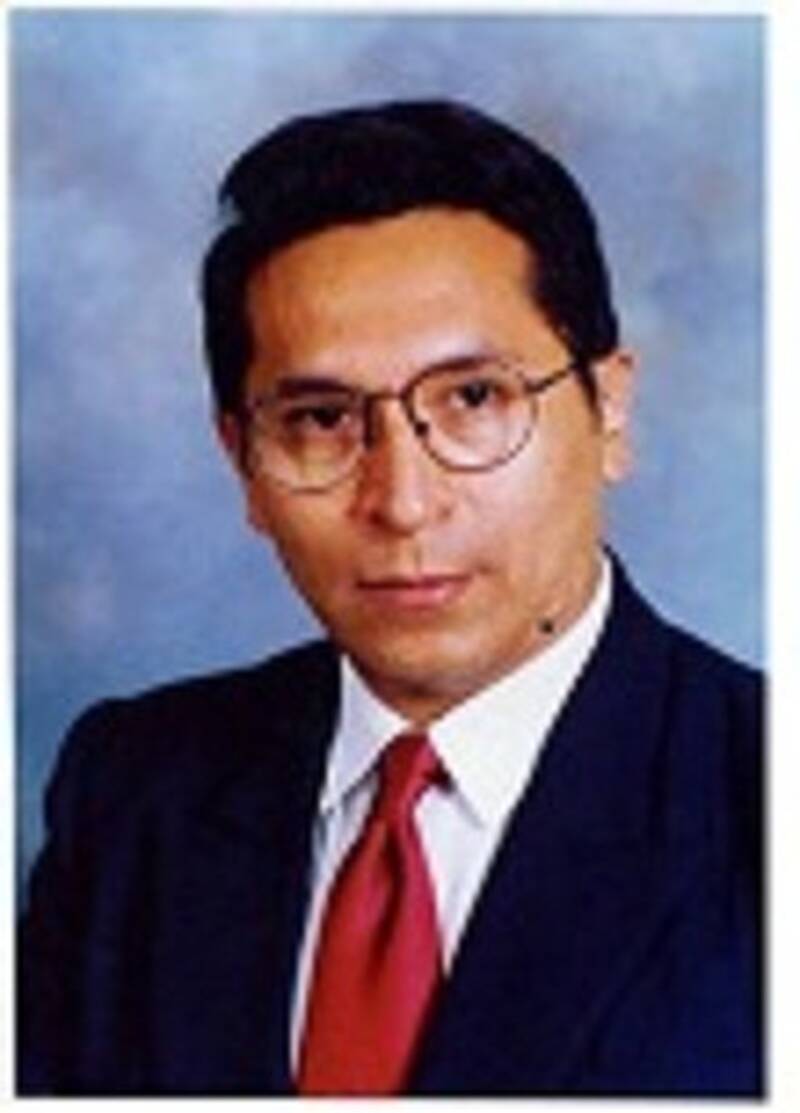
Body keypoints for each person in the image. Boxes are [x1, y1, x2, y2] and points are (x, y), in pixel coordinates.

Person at [18, 99, 763, 1097]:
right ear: (244, 464)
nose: (403, 501)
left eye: (473, 399)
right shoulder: (135, 791)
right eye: (321, 419)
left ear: (609, 410)